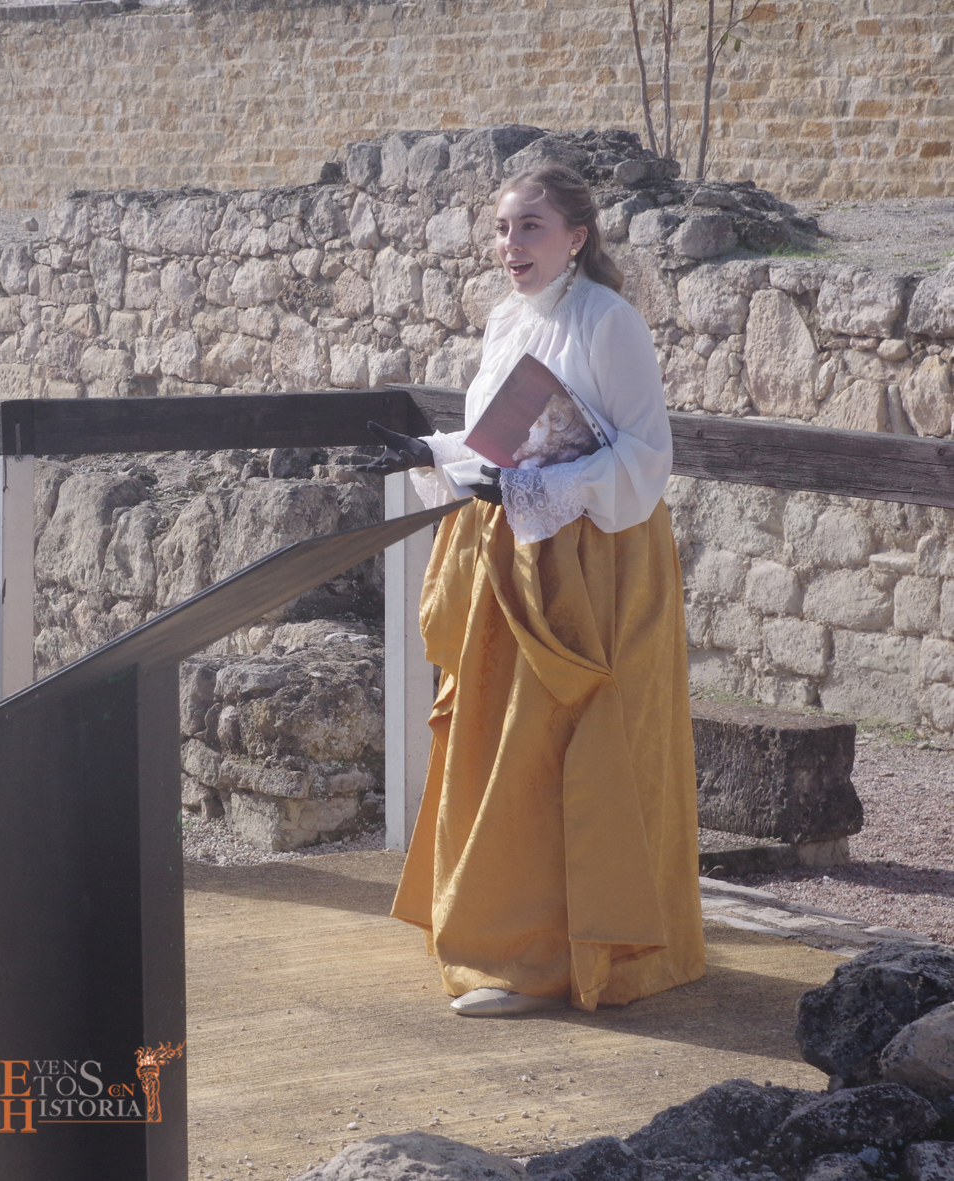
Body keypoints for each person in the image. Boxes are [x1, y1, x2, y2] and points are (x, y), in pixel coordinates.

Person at [369, 164, 704, 1017]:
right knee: (498, 745)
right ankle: (510, 946)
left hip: (597, 568)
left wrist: (538, 489)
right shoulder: (507, 321)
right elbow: (502, 438)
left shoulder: (610, 322)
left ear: (575, 238)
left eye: (530, 227)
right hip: (510, 556)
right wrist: (432, 452)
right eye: (502, 227)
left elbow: (646, 456)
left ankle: (570, 956)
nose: (509, 244)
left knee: (570, 749)